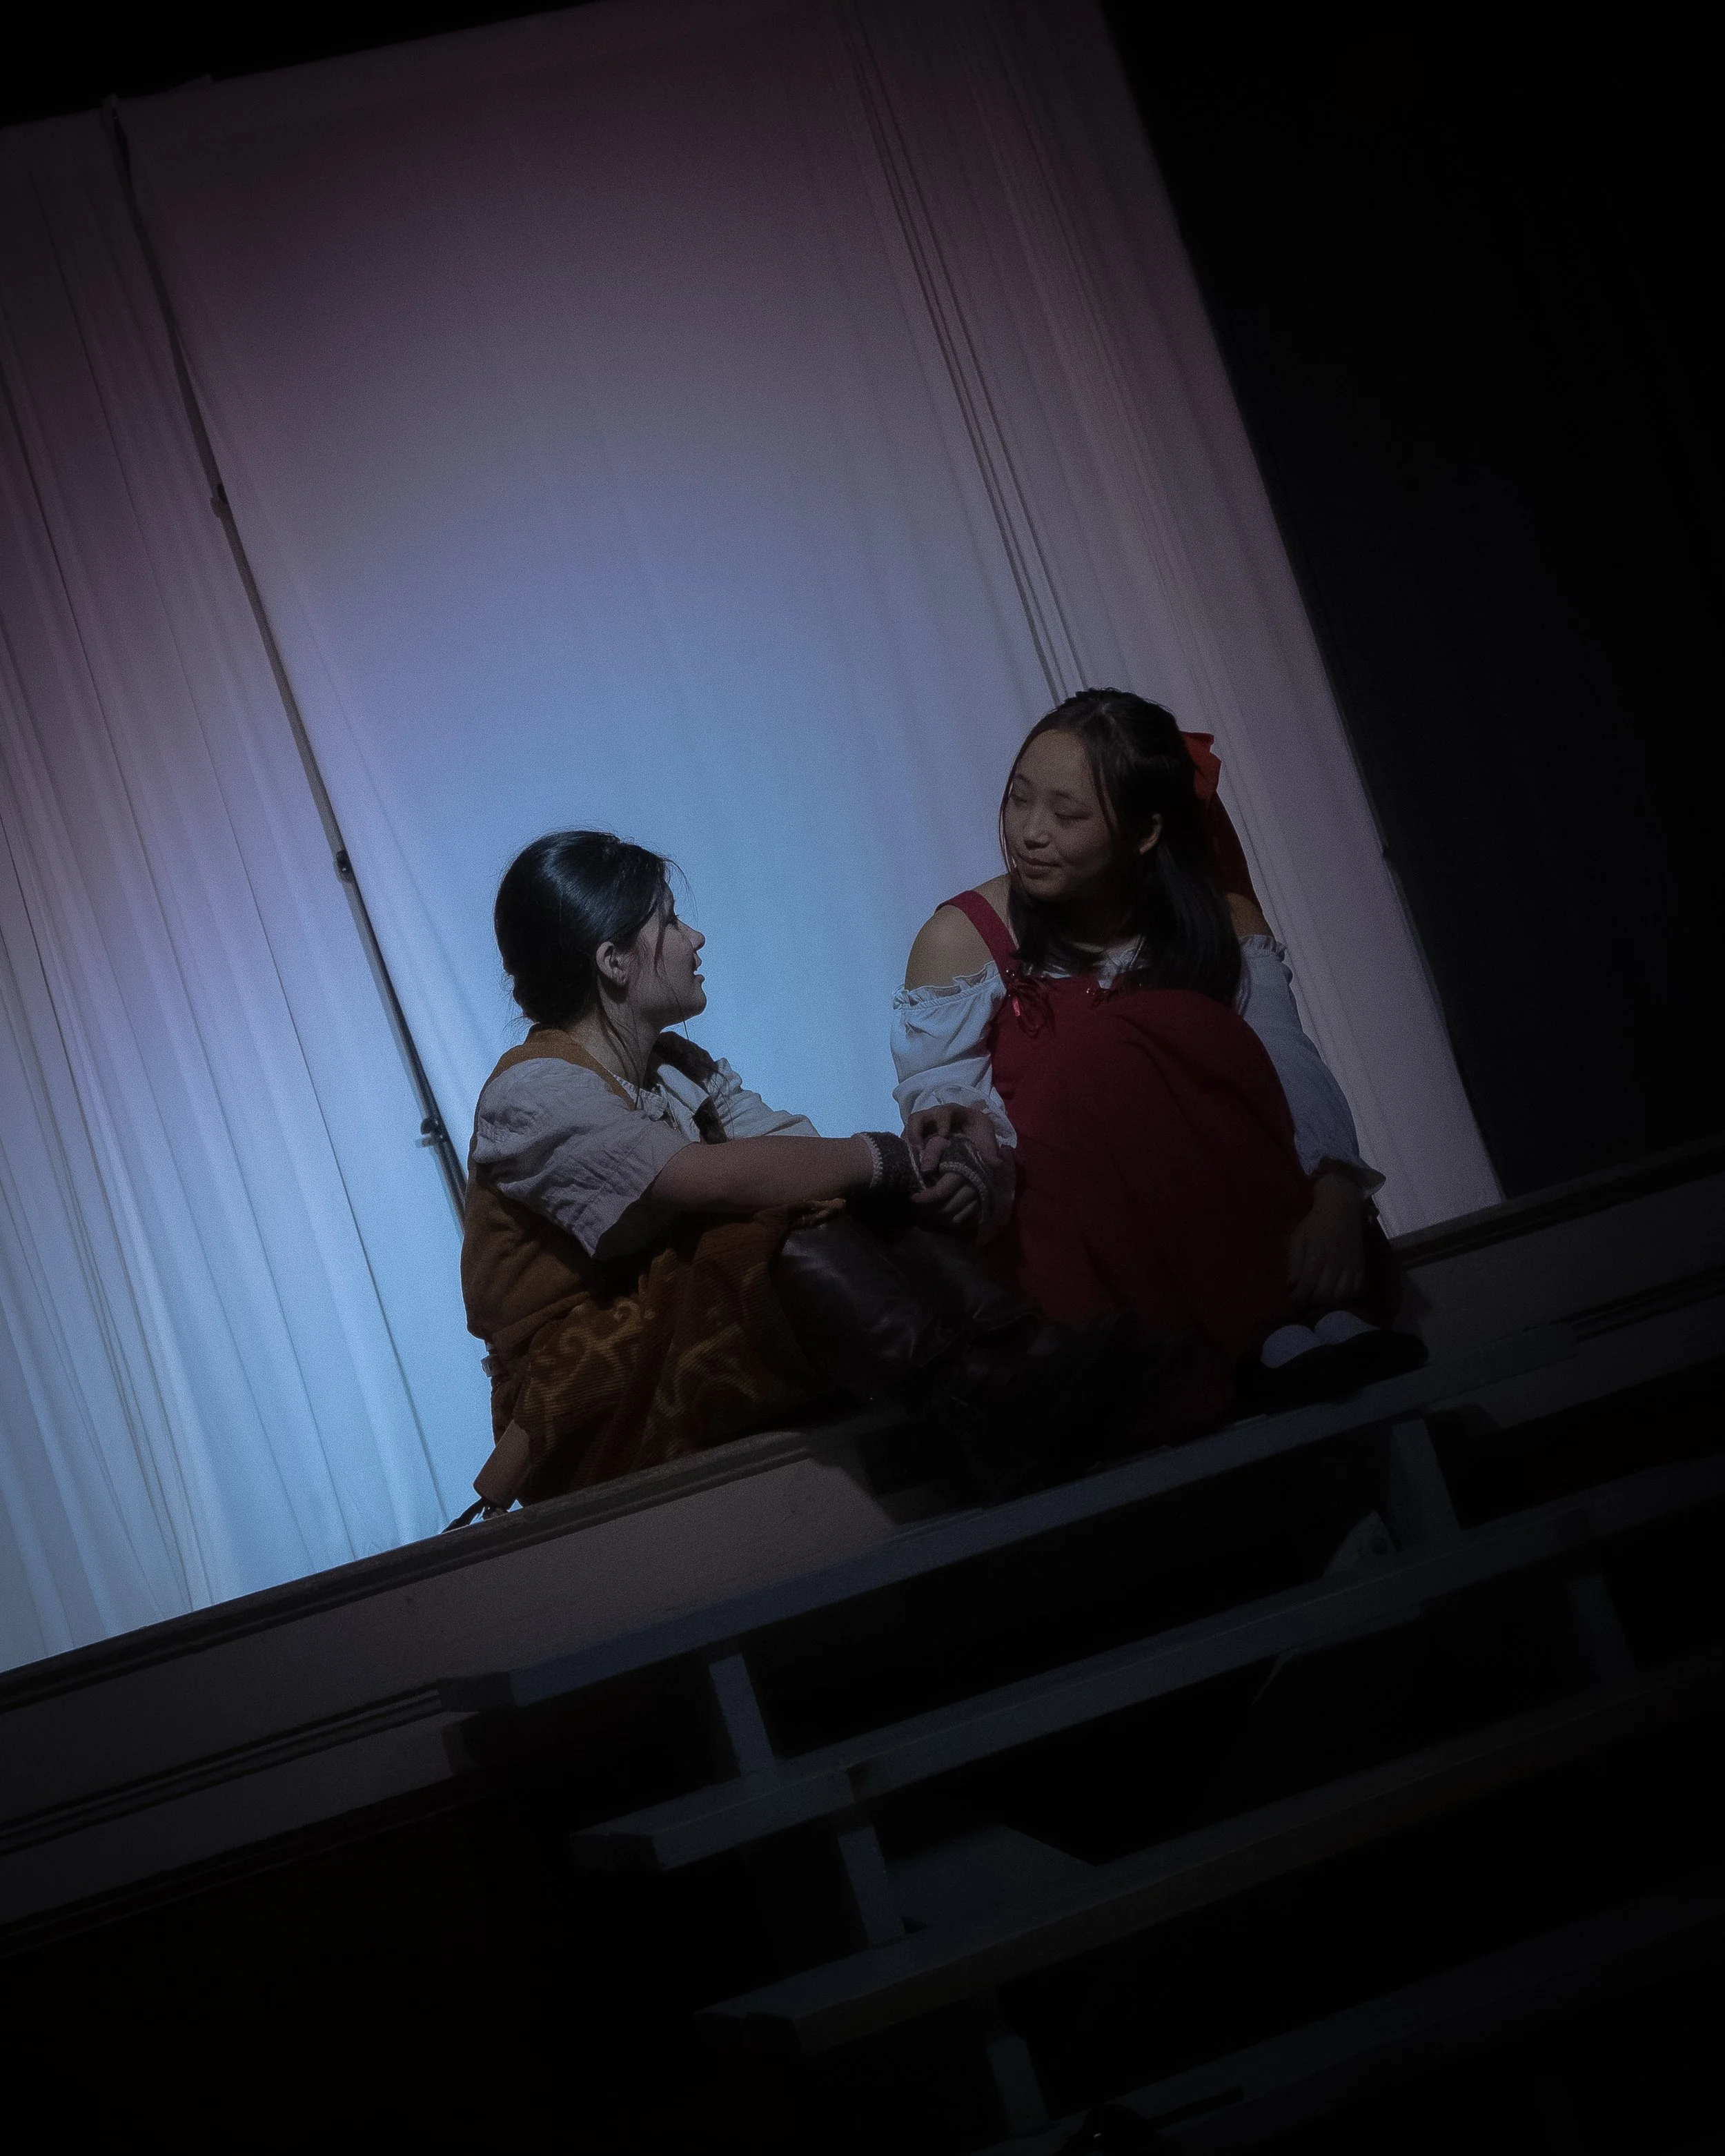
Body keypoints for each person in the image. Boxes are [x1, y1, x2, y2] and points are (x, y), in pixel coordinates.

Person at [457, 830, 1146, 1518]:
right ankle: (983, 1397)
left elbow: (803, 1162)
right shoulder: (534, 1091)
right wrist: (885, 1160)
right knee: (768, 1226)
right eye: (668, 920)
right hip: (579, 1395)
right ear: (612, 960)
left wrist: (933, 1162)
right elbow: (706, 1179)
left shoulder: (675, 1066)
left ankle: (1024, 1353)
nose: (694, 937)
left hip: (668, 1336)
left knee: (832, 1193)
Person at [894, 690, 1424, 1424]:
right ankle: (1261, 1331)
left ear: (1143, 831)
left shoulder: (1217, 919)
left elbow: (1281, 1064)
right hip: (1086, 1248)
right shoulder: (962, 940)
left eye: (1067, 814)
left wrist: (1335, 1188)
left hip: (1259, 1220)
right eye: (1018, 800)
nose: (1029, 833)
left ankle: (1291, 1332)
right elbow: (949, 1107)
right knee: (1112, 1050)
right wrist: (964, 1164)